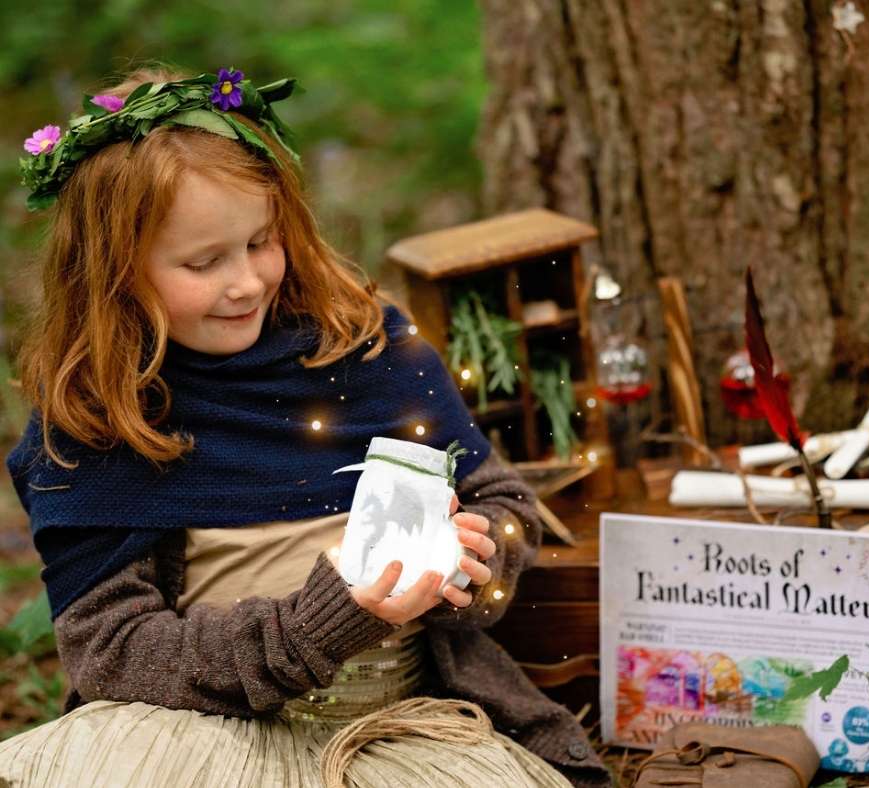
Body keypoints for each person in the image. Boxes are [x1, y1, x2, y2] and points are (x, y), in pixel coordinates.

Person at [0, 65, 612, 787]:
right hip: (202, 729)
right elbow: (115, 649)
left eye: (262, 242)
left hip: (402, 724)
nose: (248, 282)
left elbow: (502, 503)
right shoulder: (100, 416)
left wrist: (477, 563)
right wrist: (315, 625)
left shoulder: (362, 347)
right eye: (205, 262)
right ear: (115, 270)